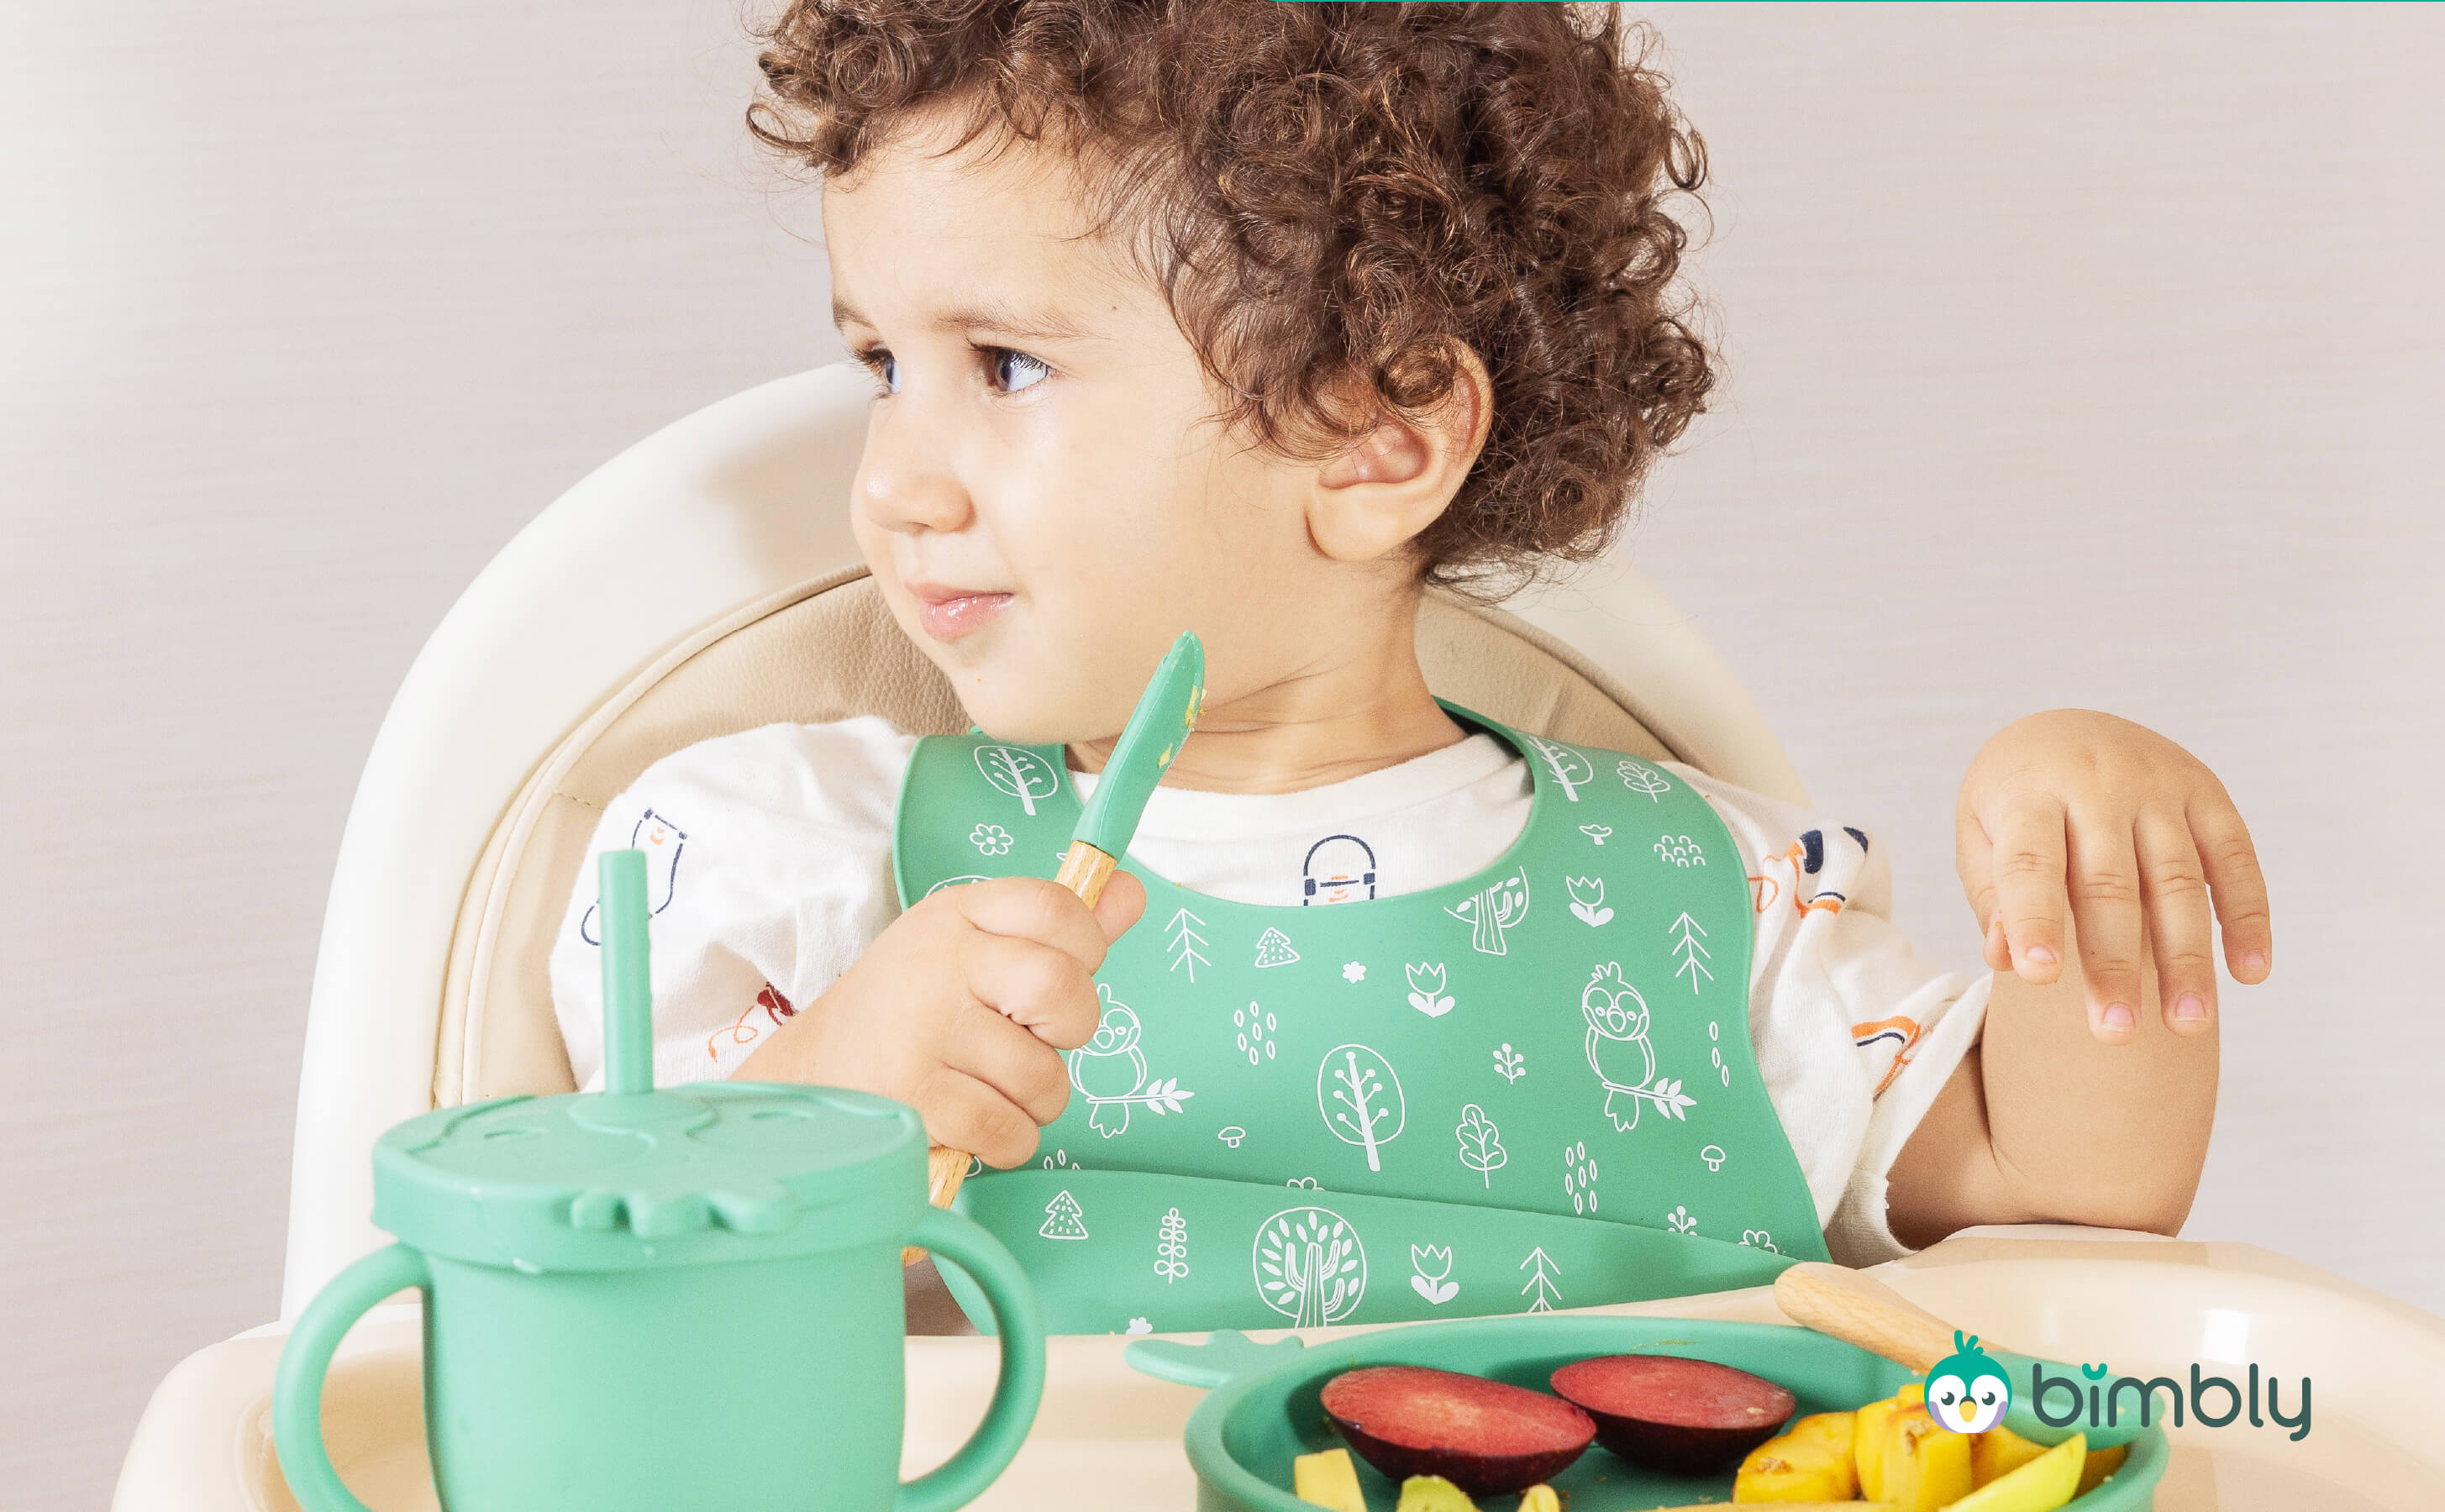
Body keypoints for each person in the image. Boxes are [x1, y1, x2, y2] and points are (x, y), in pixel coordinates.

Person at [549, 1, 2268, 1333]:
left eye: (1003, 366)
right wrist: (821, 1115)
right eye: (880, 364)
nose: (894, 484)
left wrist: (2083, 849)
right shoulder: (808, 870)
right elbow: (589, 1313)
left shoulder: (1713, 912)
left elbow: (2066, 1201)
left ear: (1377, 438)